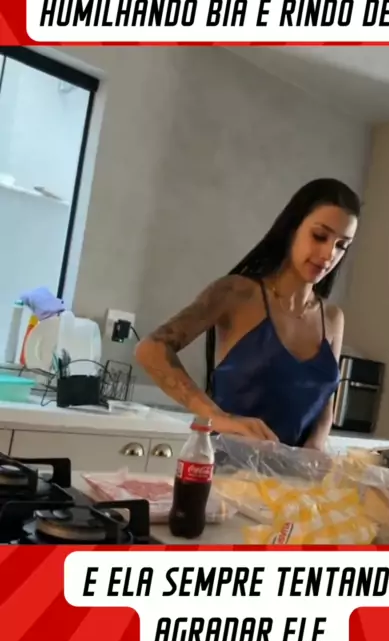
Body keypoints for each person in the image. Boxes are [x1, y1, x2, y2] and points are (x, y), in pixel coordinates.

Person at [135, 178, 360, 450]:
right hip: (225, 469)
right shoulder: (236, 293)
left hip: (295, 475)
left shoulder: (332, 318)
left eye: (341, 245)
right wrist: (218, 417)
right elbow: (151, 349)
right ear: (293, 228)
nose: (329, 254)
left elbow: (324, 403)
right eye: (320, 236)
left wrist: (316, 444)